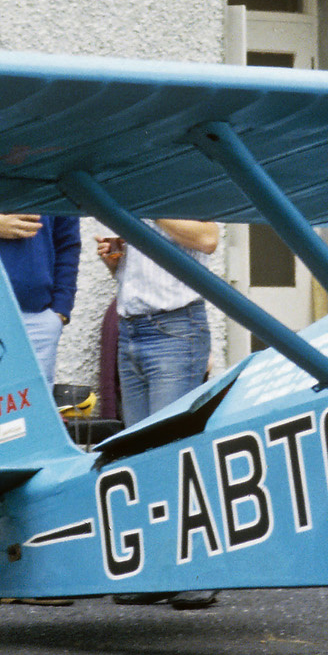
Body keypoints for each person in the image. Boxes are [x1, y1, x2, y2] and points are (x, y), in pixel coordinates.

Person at [101, 219, 221, 611]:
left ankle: (199, 572)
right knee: (141, 460)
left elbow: (208, 238)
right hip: (133, 329)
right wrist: (117, 262)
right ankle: (156, 573)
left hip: (175, 326)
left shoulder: (178, 180)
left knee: (176, 454)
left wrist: (141, 211)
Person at [0, 213, 80, 385]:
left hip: (38, 322)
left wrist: (60, 310)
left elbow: (67, 242)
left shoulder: (55, 185)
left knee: (35, 408)